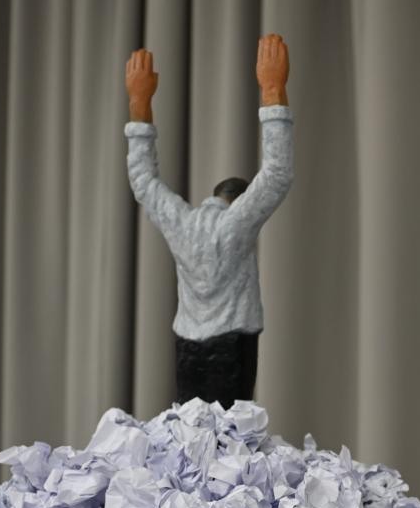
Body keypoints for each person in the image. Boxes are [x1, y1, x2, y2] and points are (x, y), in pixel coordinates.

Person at [123, 35, 293, 407]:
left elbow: (143, 181)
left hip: (187, 346)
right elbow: (276, 175)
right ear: (240, 201)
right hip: (233, 346)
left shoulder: (183, 223)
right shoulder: (236, 224)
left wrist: (139, 103)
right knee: (232, 435)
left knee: (188, 432)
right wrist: (272, 89)